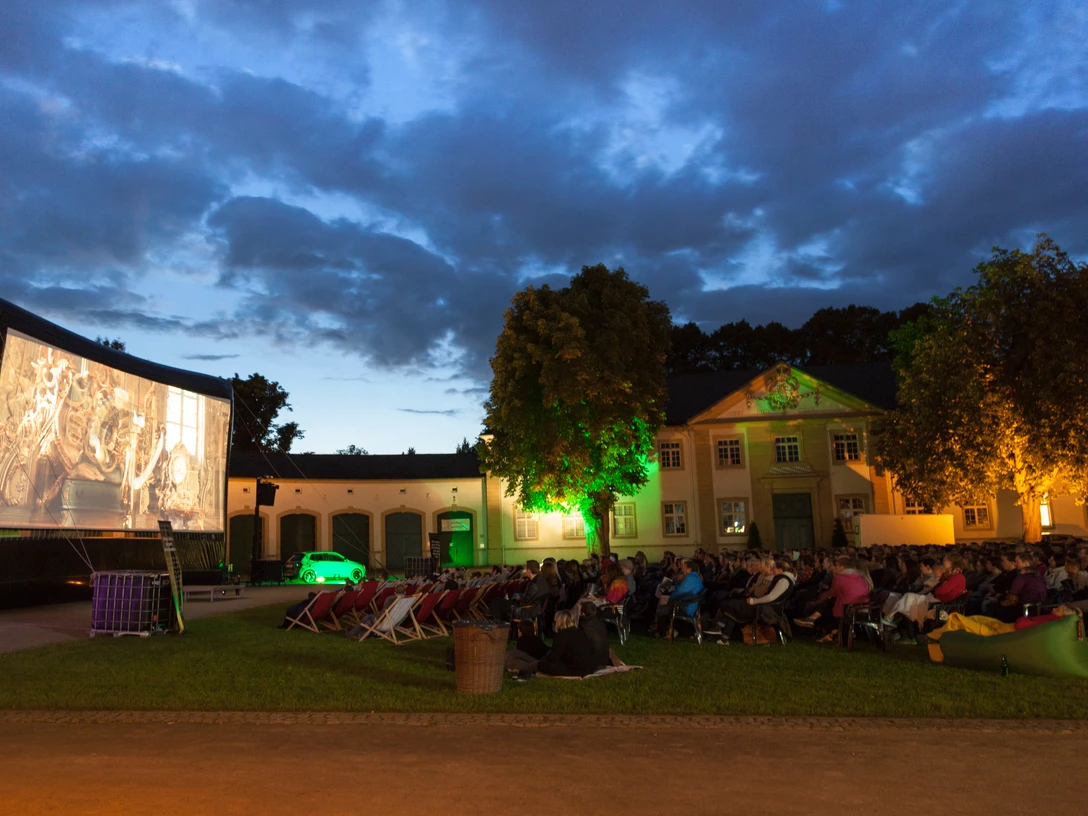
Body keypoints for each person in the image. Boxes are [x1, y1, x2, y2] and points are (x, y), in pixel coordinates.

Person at [709, 559, 796, 644]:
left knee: (731, 605)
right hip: (764, 607)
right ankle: (722, 635)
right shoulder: (782, 579)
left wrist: (755, 601)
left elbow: (771, 597)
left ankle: (719, 631)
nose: (772, 569)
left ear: (780, 570)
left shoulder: (784, 580)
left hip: (766, 610)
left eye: (774, 568)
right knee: (732, 606)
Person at [650, 558, 704, 637]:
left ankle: (662, 632)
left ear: (689, 570)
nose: (682, 570)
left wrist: (670, 600)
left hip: (686, 607)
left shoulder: (690, 578)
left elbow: (678, 593)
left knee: (661, 609)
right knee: (664, 605)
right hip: (689, 605)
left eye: (683, 568)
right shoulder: (695, 577)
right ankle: (666, 631)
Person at [537, 610, 597, 678]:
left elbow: (554, 658)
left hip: (576, 670)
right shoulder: (581, 632)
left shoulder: (562, 635)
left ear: (559, 622)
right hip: (590, 667)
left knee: (542, 664)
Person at [578, 601, 611, 668]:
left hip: (591, 662)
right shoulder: (601, 623)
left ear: (583, 613)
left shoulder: (583, 625)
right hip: (604, 660)